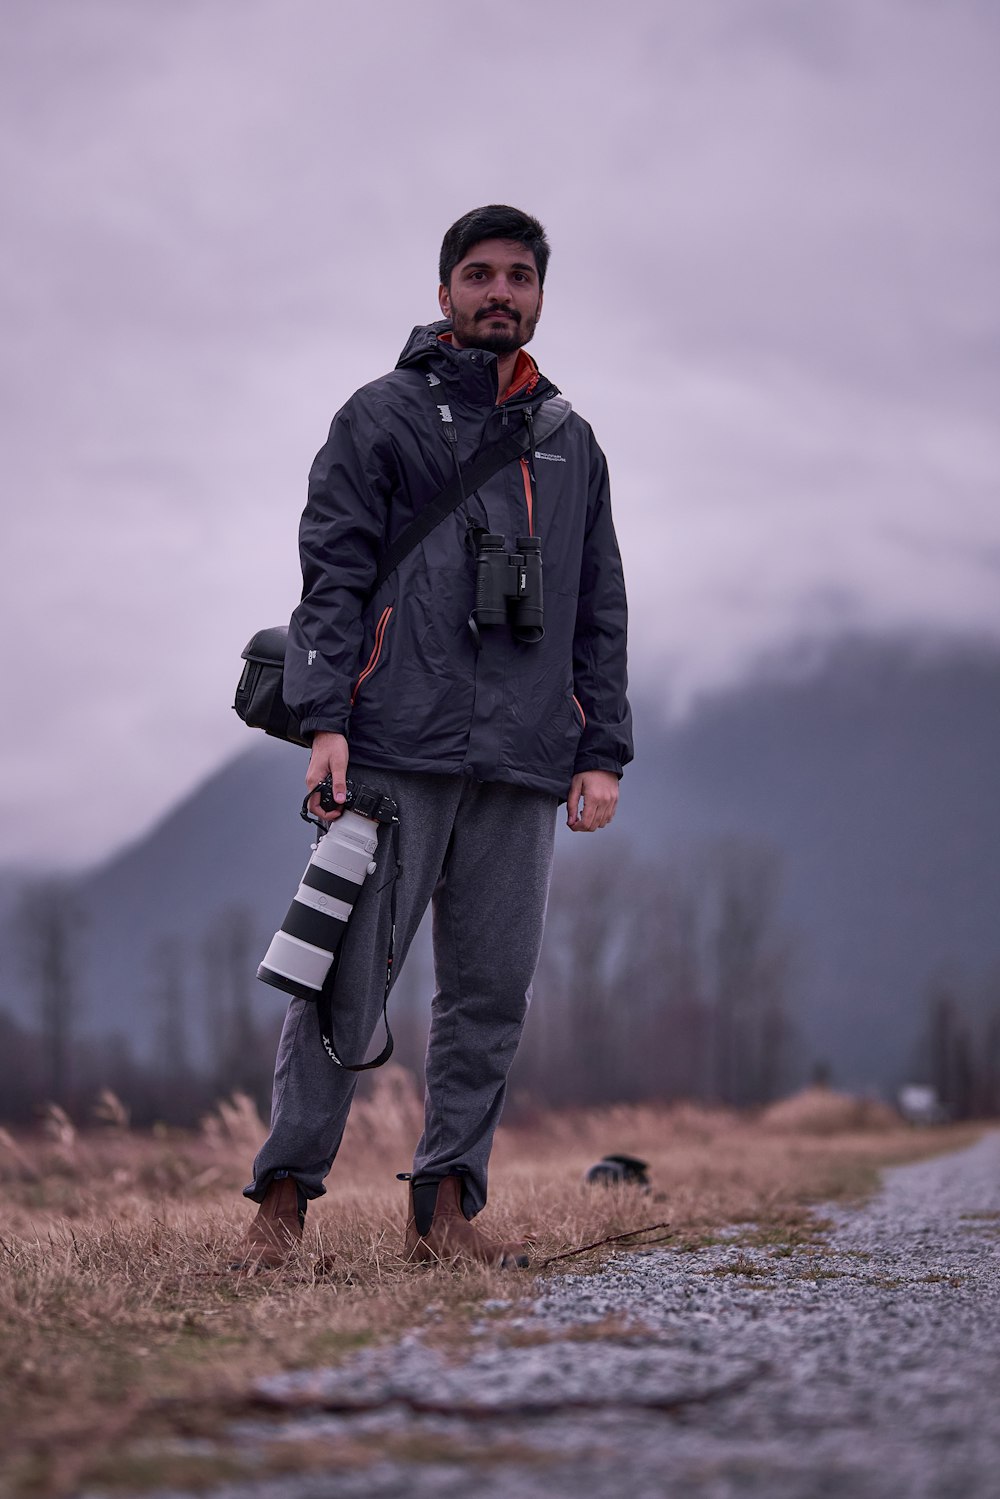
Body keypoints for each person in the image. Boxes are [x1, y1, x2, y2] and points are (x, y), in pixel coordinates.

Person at [241, 205, 632, 1269]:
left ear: (540, 293)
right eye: (478, 274)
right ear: (445, 290)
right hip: (392, 745)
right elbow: (333, 574)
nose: (498, 291)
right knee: (343, 981)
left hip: (522, 760)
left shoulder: (572, 444)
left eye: (518, 276)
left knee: (490, 994)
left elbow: (600, 605)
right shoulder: (380, 417)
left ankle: (445, 1209)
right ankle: (281, 1205)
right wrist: (326, 720)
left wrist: (601, 750)